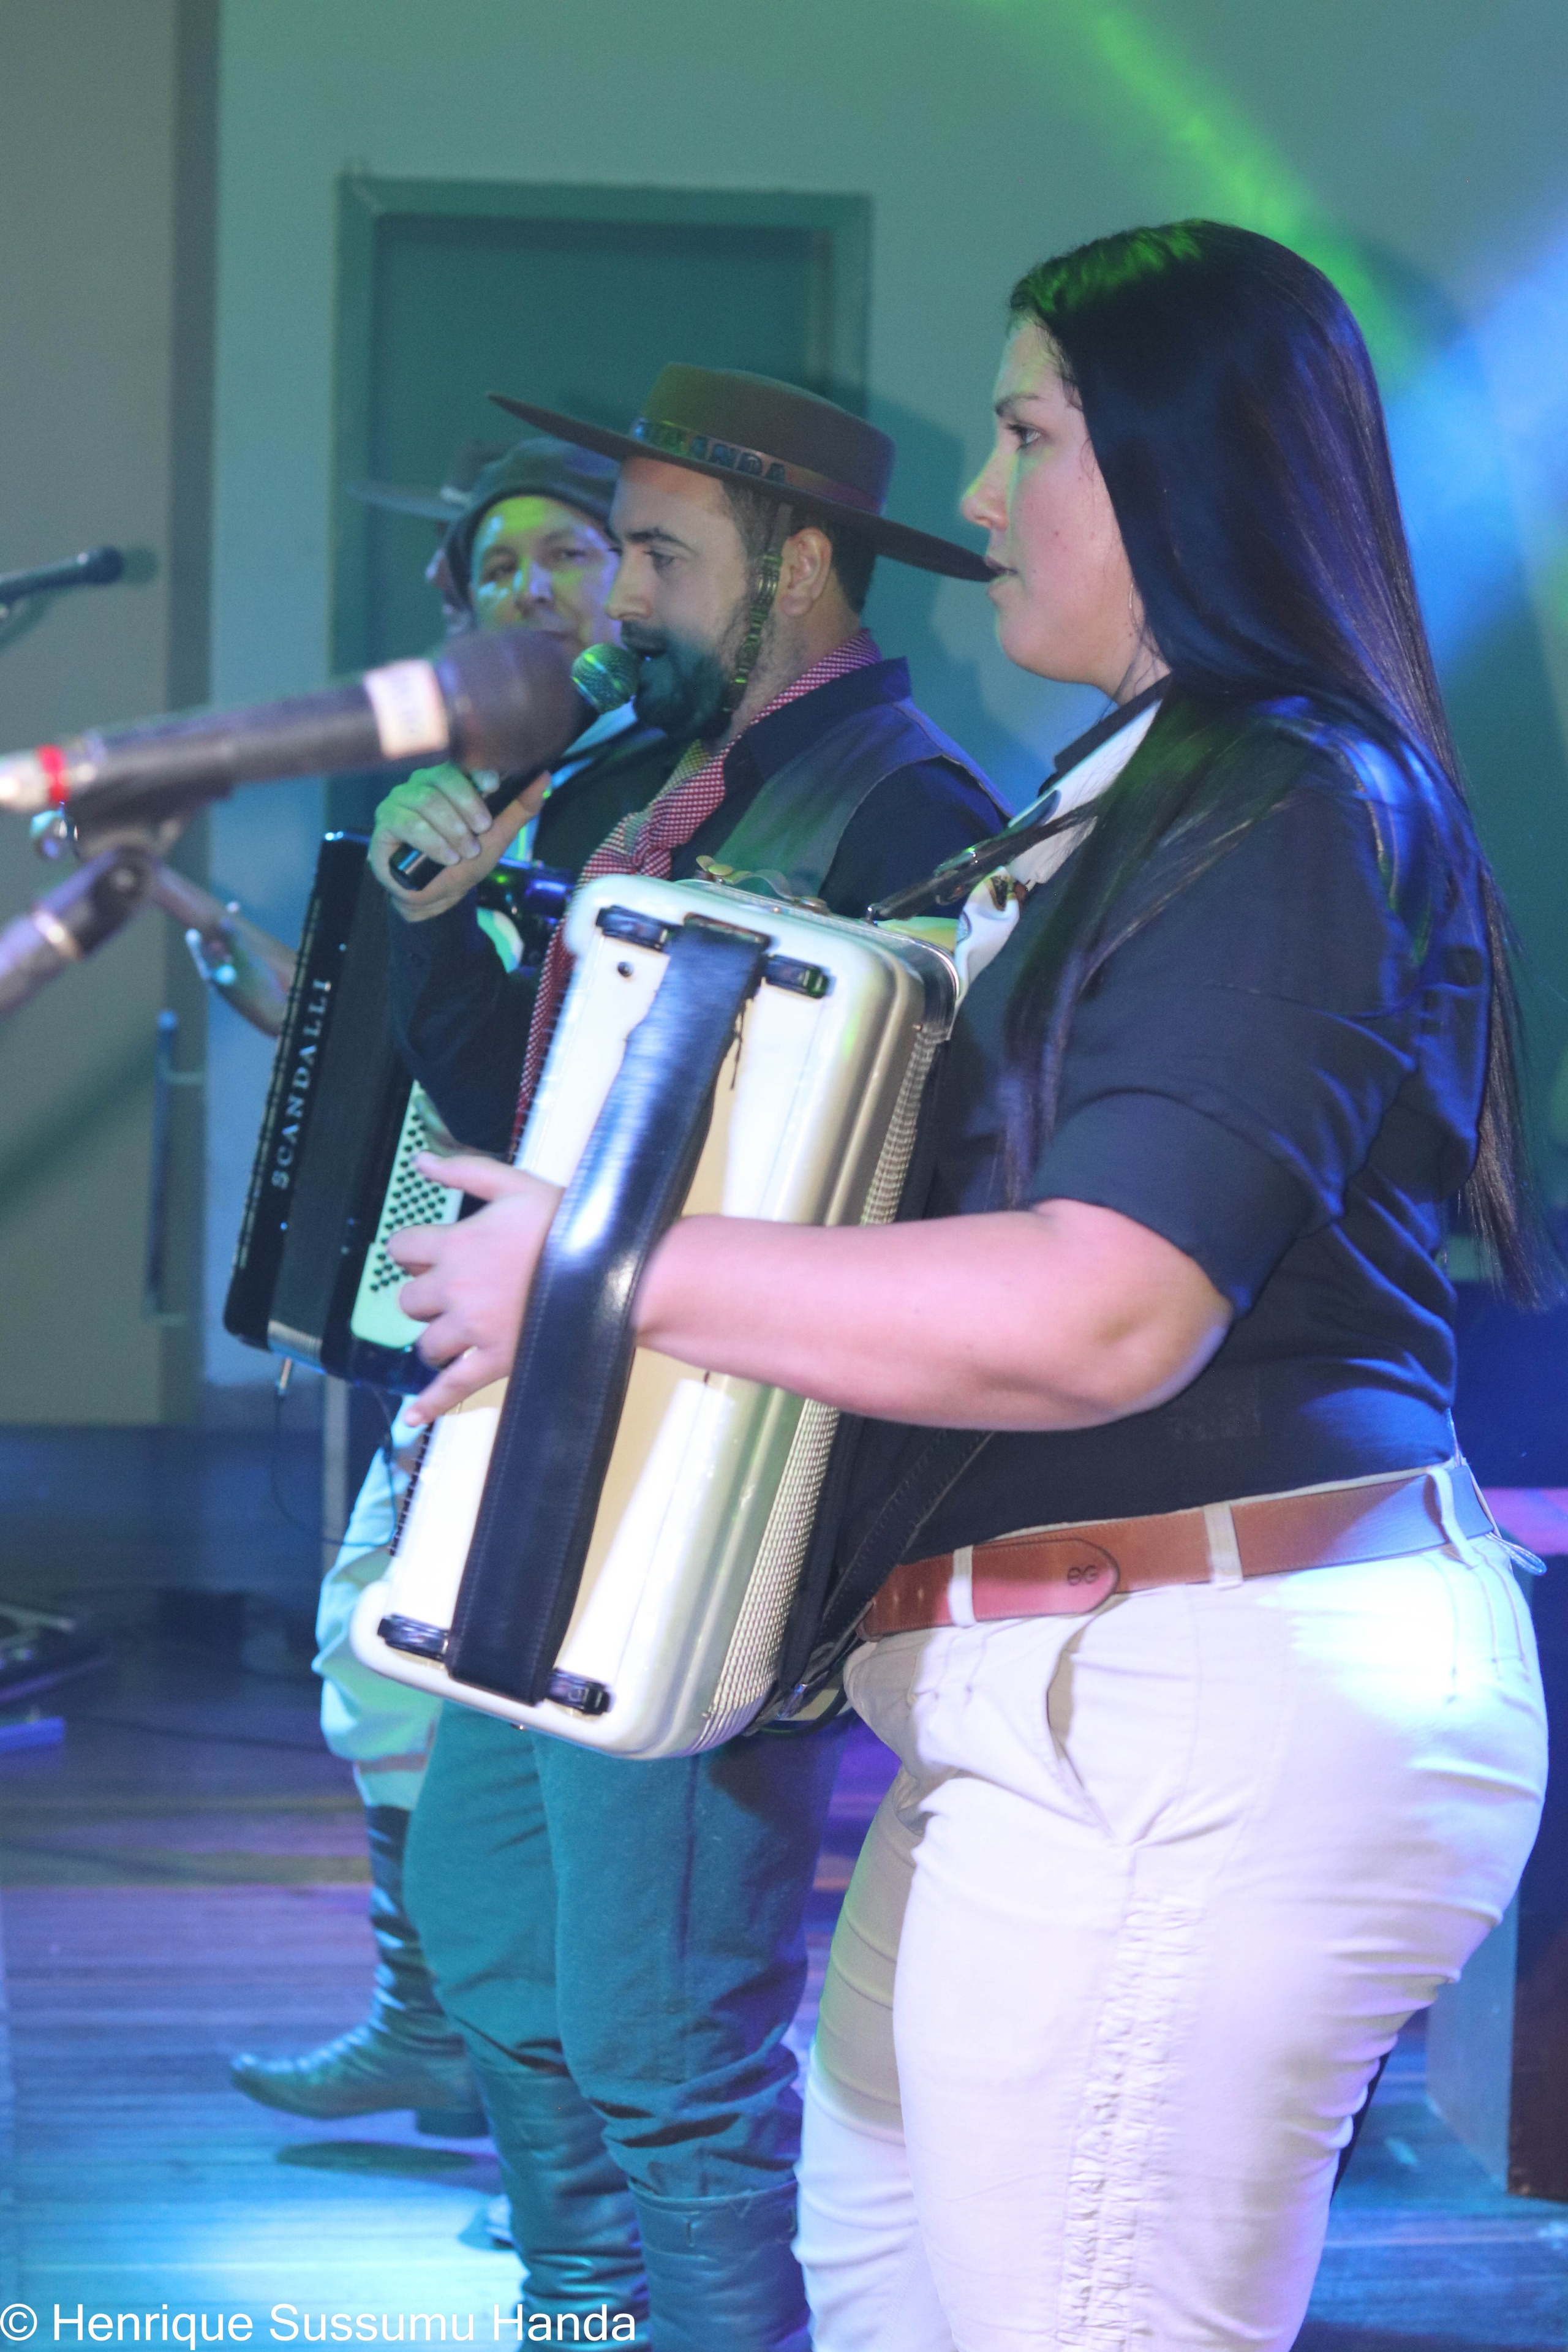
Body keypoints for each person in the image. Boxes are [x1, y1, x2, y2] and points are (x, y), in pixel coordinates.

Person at [390, 229, 1551, 2351]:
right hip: (1070, 1707)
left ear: (1189, 462)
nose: (987, 502)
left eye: (1030, 435)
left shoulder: (1287, 796)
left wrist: (602, 1268)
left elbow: (1111, 1308)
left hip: (1194, 1696)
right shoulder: (1132, 795)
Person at [394, 364, 1006, 2346]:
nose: (621, 595)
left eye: (664, 554)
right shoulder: (644, 783)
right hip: (546, 1455)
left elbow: (903, 1215)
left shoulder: (909, 811)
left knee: (668, 2047)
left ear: (801, 565)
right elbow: (523, 1126)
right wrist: (445, 917)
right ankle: (578, 2317)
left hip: (699, 1503)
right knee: (501, 1959)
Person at [230, 435, 680, 2137]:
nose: (530, 594)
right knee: (387, 1667)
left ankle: (536, 2094)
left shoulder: (644, 797)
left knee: (466, 1690)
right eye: (497, 572)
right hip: (452, 1316)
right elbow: (413, 1073)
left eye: (569, 558)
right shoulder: (461, 805)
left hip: (579, 1328)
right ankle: (457, 2039)